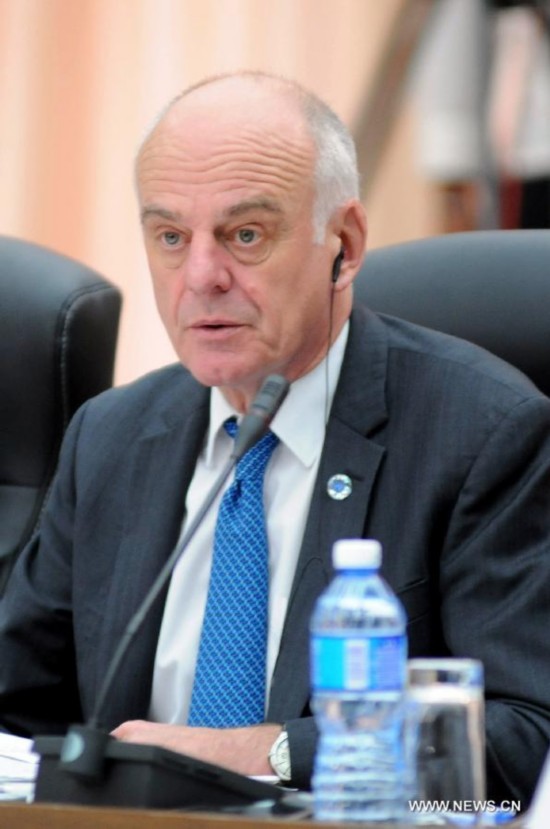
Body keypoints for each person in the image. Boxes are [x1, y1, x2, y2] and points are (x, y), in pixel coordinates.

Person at [1, 70, 550, 809]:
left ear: (344, 246)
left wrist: (266, 749)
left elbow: (523, 733)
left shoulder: (481, 433)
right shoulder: (111, 436)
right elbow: (16, 699)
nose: (200, 276)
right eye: (169, 236)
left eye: (245, 234)